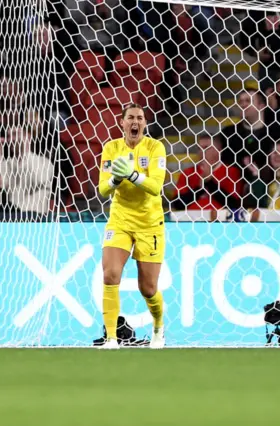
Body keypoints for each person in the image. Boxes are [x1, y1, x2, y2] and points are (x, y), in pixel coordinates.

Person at [97, 103, 167, 349]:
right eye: (130, 118)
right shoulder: (111, 148)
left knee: (148, 288)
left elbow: (156, 187)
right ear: (122, 123)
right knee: (110, 275)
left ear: (145, 124)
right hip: (120, 220)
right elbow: (103, 189)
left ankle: (158, 325)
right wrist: (116, 178)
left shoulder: (155, 147)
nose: (135, 122)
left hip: (150, 223)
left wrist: (132, 175)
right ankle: (111, 338)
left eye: (139, 118)